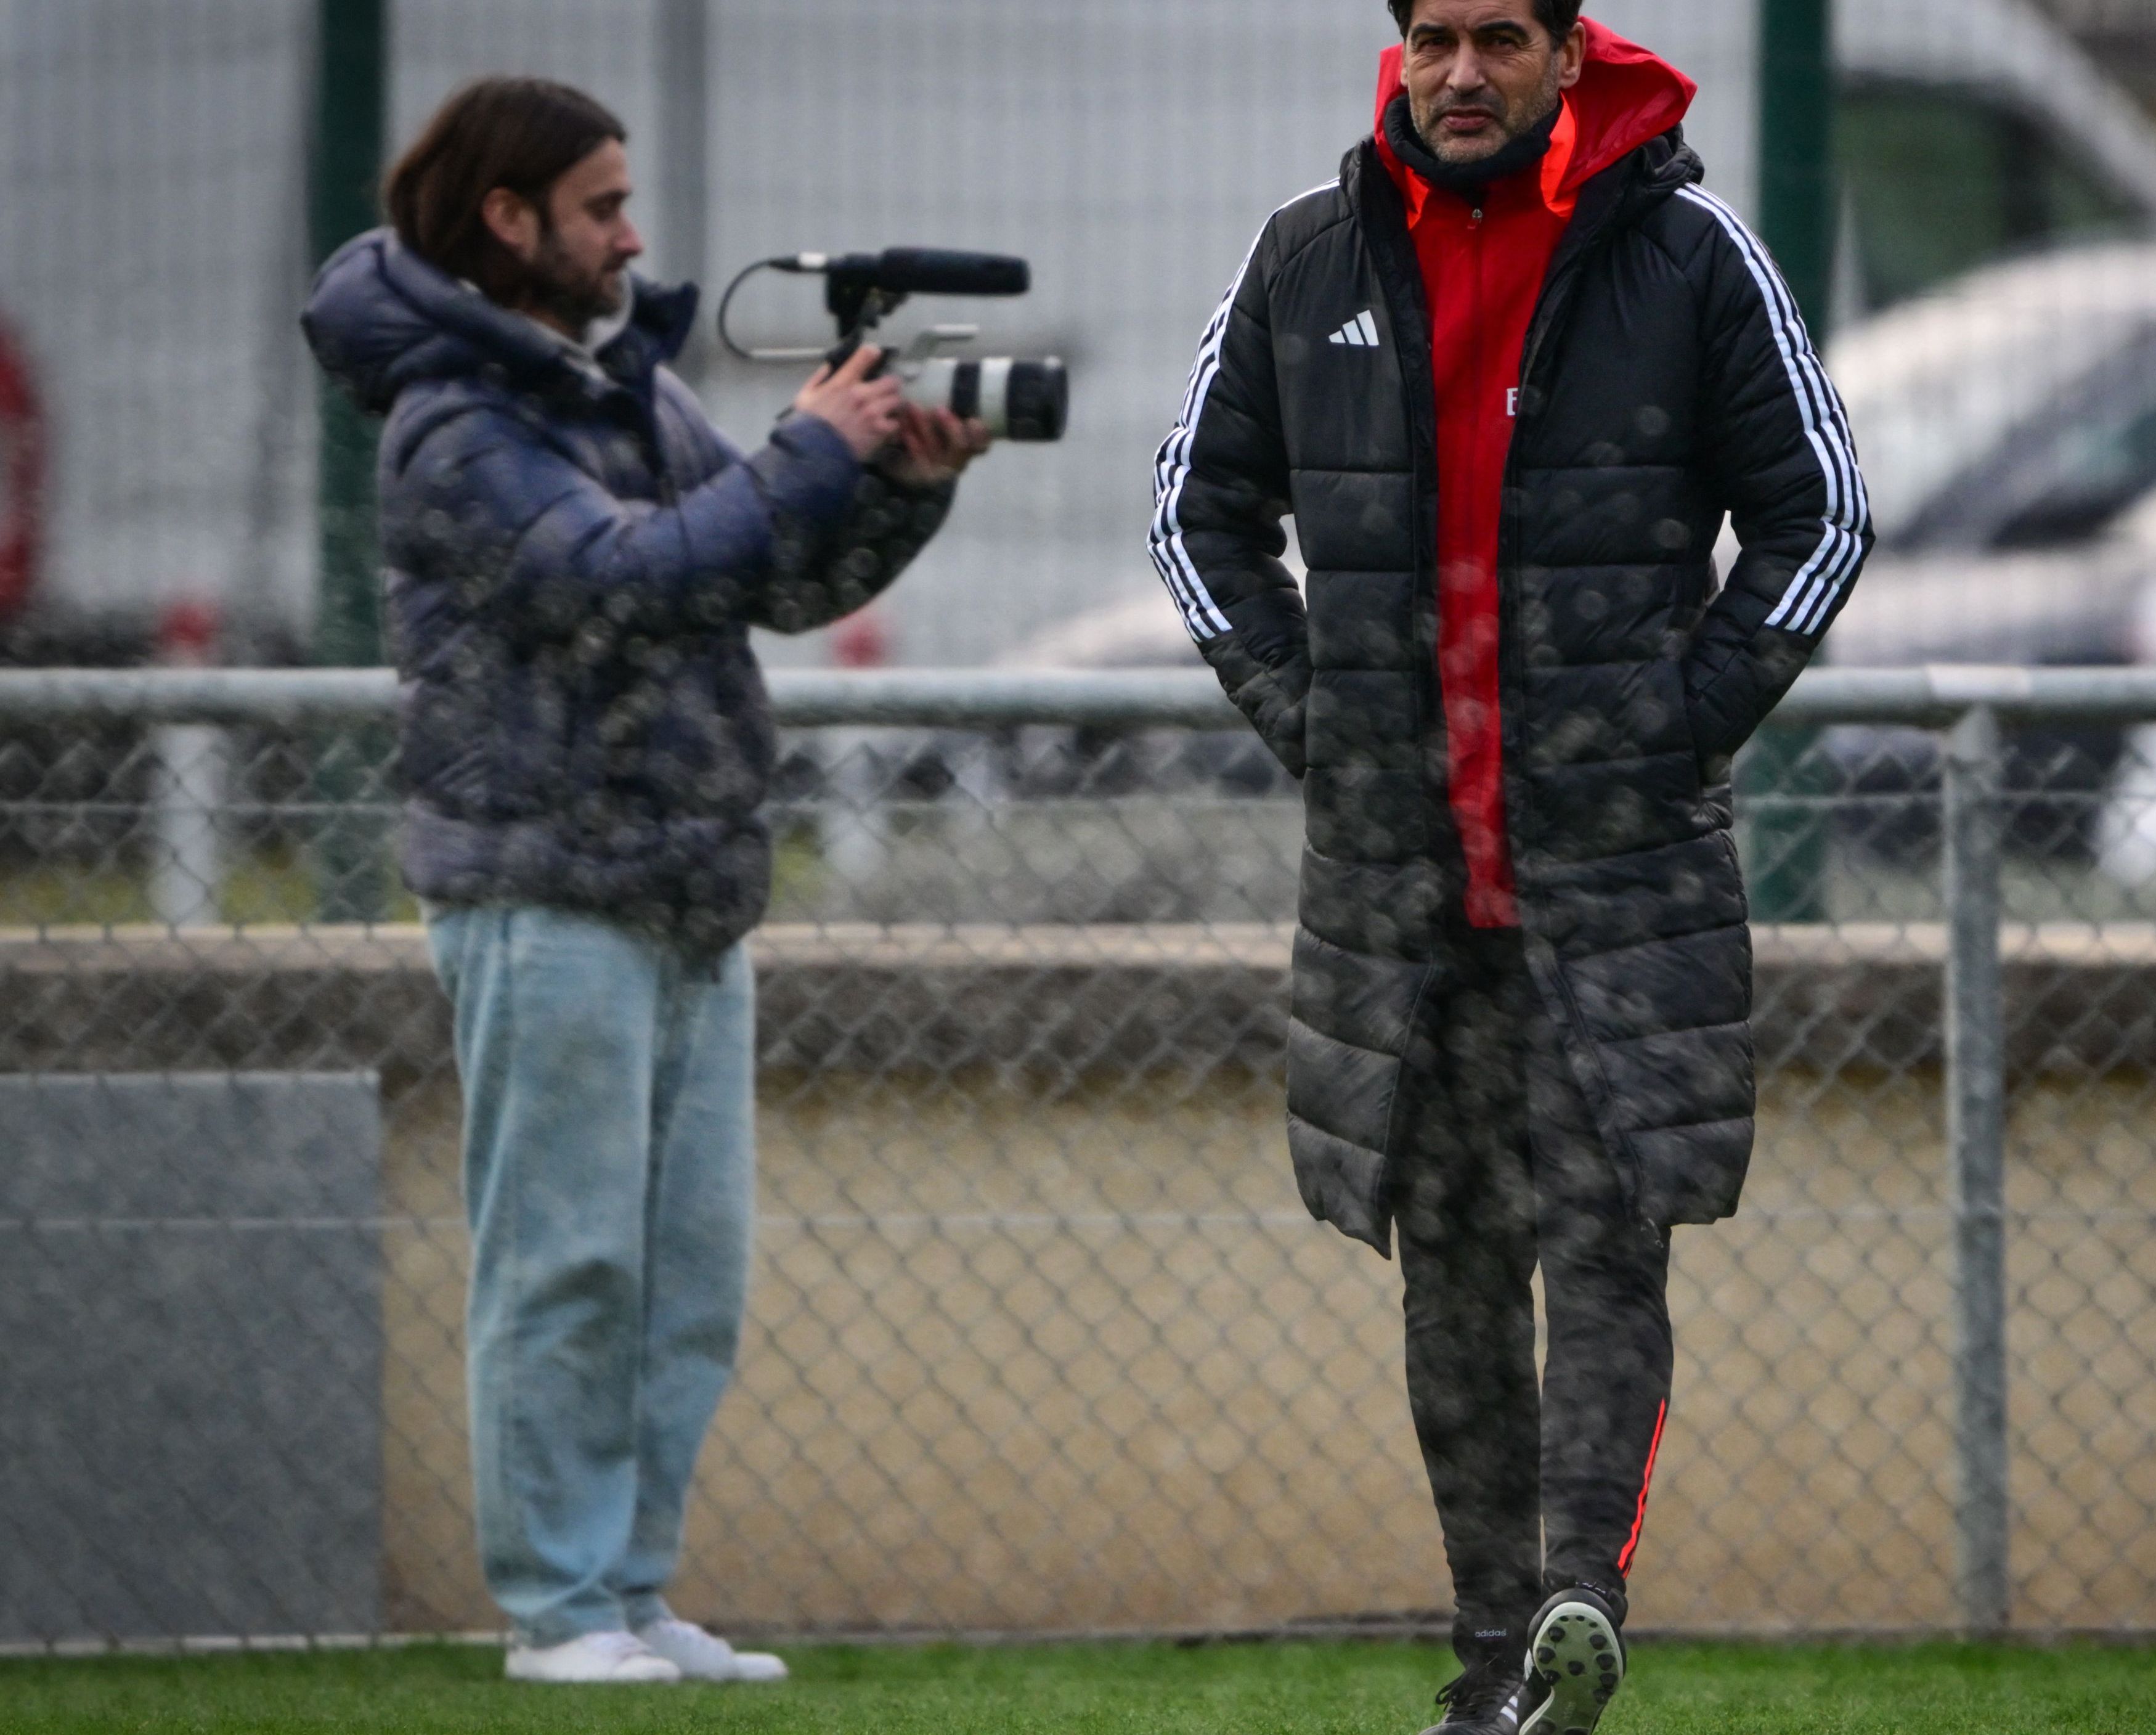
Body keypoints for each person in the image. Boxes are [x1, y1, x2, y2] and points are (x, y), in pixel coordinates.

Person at [1149, 2, 1868, 1729]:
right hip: (1406, 901)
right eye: (1432, 41)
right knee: (1455, 1281)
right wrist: (1316, 722)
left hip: (1616, 889)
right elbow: (1193, 515)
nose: (1460, 74)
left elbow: (1821, 515)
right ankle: (1497, 1671)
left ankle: (1577, 1602)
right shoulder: (1306, 252)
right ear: (1398, 57)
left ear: (1568, 53)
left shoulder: (1689, 252)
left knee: (1610, 1256)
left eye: (1498, 40)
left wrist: (1678, 723)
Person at [303, 76, 989, 1685]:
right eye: (603, 206)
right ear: (510, 219)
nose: (632, 233)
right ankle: (556, 1613)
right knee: (567, 1263)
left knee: (686, 1277)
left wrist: (895, 479)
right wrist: (802, 447)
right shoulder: (459, 420)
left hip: (686, 887)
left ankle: (630, 1593)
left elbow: (773, 575)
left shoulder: (619, 385)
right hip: (543, 891)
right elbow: (612, 583)